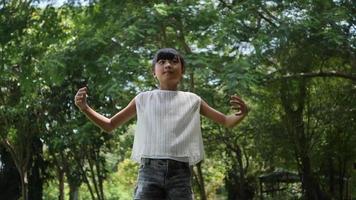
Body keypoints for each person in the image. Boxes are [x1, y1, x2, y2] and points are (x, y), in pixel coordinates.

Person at [74, 48, 248, 200]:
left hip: (180, 174)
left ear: (182, 70)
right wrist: (85, 108)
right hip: (149, 172)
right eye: (162, 61)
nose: (168, 65)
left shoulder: (193, 100)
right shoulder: (143, 99)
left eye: (174, 61)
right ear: (153, 72)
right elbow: (110, 124)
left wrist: (243, 113)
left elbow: (226, 121)